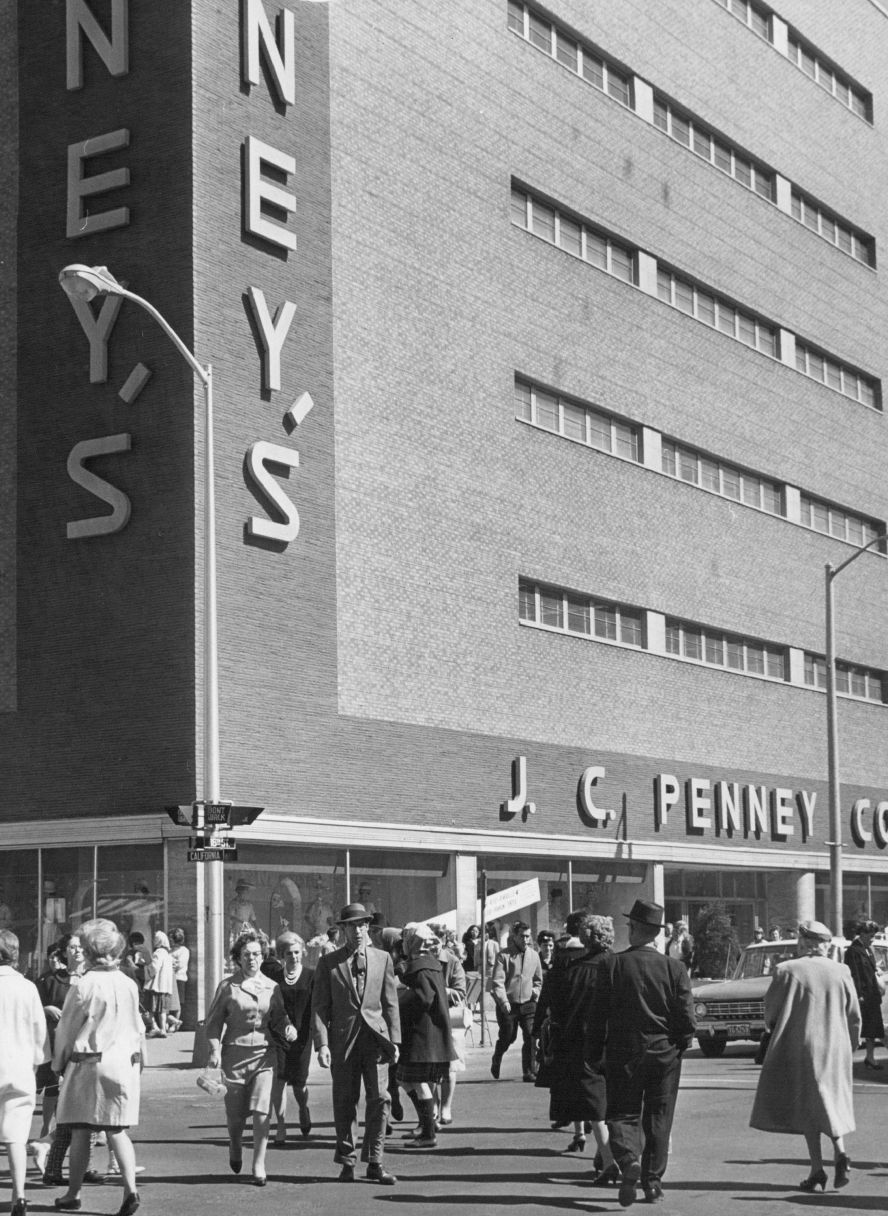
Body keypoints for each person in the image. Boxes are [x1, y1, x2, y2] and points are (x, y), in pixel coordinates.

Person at [588, 899, 695, 1208]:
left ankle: (627, 1158)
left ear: (634, 928)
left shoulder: (613, 965)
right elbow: (687, 1018)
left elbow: (598, 1015)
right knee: (659, 1118)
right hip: (665, 1052)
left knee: (622, 1112)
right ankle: (653, 1183)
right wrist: (679, 1045)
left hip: (624, 1051)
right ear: (657, 934)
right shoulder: (675, 968)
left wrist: (594, 1052)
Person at [750, 919, 860, 1192]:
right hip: (836, 1047)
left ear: (802, 942)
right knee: (830, 1101)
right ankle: (836, 1155)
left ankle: (819, 1167)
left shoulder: (786, 970)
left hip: (801, 1047)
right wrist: (852, 1045)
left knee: (808, 1108)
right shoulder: (841, 971)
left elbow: (771, 1012)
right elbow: (854, 1015)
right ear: (825, 945)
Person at [50, 918, 145, 1216]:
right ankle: (131, 1189)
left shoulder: (85, 984)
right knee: (117, 1130)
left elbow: (67, 1028)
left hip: (90, 1064)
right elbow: (138, 1026)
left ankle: (73, 1193)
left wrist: (58, 1062)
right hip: (124, 1064)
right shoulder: (129, 983)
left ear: (89, 952)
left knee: (80, 1130)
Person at [311, 902, 401, 1186]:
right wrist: (322, 1044)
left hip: (375, 1041)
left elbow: (390, 1003)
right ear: (343, 929)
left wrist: (395, 1040)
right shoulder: (329, 963)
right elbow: (319, 1007)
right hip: (343, 1042)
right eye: (353, 925)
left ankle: (375, 1162)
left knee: (380, 1099)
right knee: (345, 1102)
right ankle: (347, 1162)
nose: (359, 930)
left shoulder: (382, 958)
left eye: (363, 925)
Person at [205, 929, 297, 1186]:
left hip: (264, 1056)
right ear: (238, 958)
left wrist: (289, 1027)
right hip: (234, 1054)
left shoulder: (272, 986)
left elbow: (280, 1017)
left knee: (261, 1111)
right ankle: (235, 1145)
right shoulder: (227, 986)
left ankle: (259, 1163)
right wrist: (214, 1050)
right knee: (235, 1116)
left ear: (263, 956)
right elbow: (212, 1025)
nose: (252, 959)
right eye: (246, 955)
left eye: (257, 954)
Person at [534, 911, 618, 1180]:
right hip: (618, 1043)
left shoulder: (571, 970)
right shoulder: (621, 966)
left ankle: (608, 1161)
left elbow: (555, 1009)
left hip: (583, 1043)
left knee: (596, 1106)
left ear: (584, 938)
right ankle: (608, 1154)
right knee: (616, 1101)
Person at [0, 928, 50, 1216]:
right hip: (19, 1068)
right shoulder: (28, 987)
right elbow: (38, 1031)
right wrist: (37, 1062)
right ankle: (19, 1195)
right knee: (16, 1138)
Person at [395, 924, 457, 1149]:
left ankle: (428, 1133)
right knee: (404, 1079)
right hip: (429, 1034)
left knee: (418, 1082)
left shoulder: (420, 967)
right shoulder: (431, 964)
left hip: (423, 1035)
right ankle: (425, 1124)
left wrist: (397, 1002)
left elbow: (424, 997)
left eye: (406, 939)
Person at [268, 932, 314, 1144]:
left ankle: (303, 1108)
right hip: (279, 1033)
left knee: (299, 1083)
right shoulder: (275, 975)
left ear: (302, 952)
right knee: (279, 1079)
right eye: (289, 953)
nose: (294, 957)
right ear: (282, 955)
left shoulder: (311, 976)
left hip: (303, 1036)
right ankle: (281, 1124)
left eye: (297, 952)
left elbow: (317, 1008)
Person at [490, 921, 543, 1082]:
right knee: (508, 1037)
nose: (525, 939)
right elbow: (498, 982)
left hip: (528, 1004)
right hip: (509, 1004)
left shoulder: (534, 955)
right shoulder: (504, 956)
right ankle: (497, 1056)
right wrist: (503, 1001)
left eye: (528, 936)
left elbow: (538, 980)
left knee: (530, 1036)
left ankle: (529, 1071)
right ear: (515, 937)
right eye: (522, 936)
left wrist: (536, 992)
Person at [434, 931, 467, 1126]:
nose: (431, 945)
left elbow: (460, 992)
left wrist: (438, 991)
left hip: (449, 1018)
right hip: (428, 1019)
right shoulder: (420, 959)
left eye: (436, 941)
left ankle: (446, 1107)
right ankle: (433, 1107)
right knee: (428, 1066)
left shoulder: (453, 962)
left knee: (449, 1066)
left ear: (443, 942)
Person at [843, 919, 885, 1070]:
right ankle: (846, 1060)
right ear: (862, 934)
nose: (872, 939)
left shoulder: (869, 949)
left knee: (872, 1029)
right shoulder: (853, 951)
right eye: (870, 936)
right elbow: (854, 974)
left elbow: (871, 970)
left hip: (872, 996)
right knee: (855, 1029)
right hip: (862, 997)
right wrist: (858, 994)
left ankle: (870, 1057)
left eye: (874, 936)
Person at [142, 932, 174, 1038]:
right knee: (162, 1010)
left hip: (155, 985)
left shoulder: (158, 953)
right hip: (165, 986)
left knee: (150, 1008)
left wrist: (146, 964)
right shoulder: (168, 954)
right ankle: (163, 1029)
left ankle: (154, 1027)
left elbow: (154, 968)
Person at [168, 928, 189, 1031]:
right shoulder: (169, 950)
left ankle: (175, 1024)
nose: (170, 940)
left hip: (179, 978)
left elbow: (180, 964)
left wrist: (170, 964)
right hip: (168, 978)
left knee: (178, 1002)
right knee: (169, 1002)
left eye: (171, 938)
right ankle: (172, 1022)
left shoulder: (184, 950)